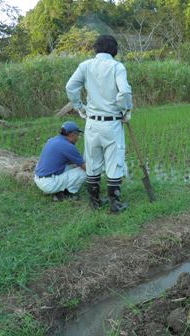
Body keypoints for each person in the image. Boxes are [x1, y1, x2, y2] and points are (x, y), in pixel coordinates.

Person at [66, 35, 133, 213]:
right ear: (114, 49)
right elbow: (124, 92)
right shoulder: (117, 67)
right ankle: (114, 203)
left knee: (93, 162)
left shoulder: (86, 66)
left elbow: (70, 87)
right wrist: (126, 111)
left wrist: (80, 107)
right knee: (114, 162)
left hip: (92, 123)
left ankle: (94, 201)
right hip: (111, 123)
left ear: (96, 48)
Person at [34, 121, 86, 202]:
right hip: (48, 183)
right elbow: (86, 167)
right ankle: (67, 194)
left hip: (39, 179)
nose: (78, 137)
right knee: (84, 172)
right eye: (78, 135)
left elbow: (71, 162)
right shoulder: (68, 146)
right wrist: (99, 171)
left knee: (72, 167)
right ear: (72, 135)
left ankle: (55, 190)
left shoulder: (53, 140)